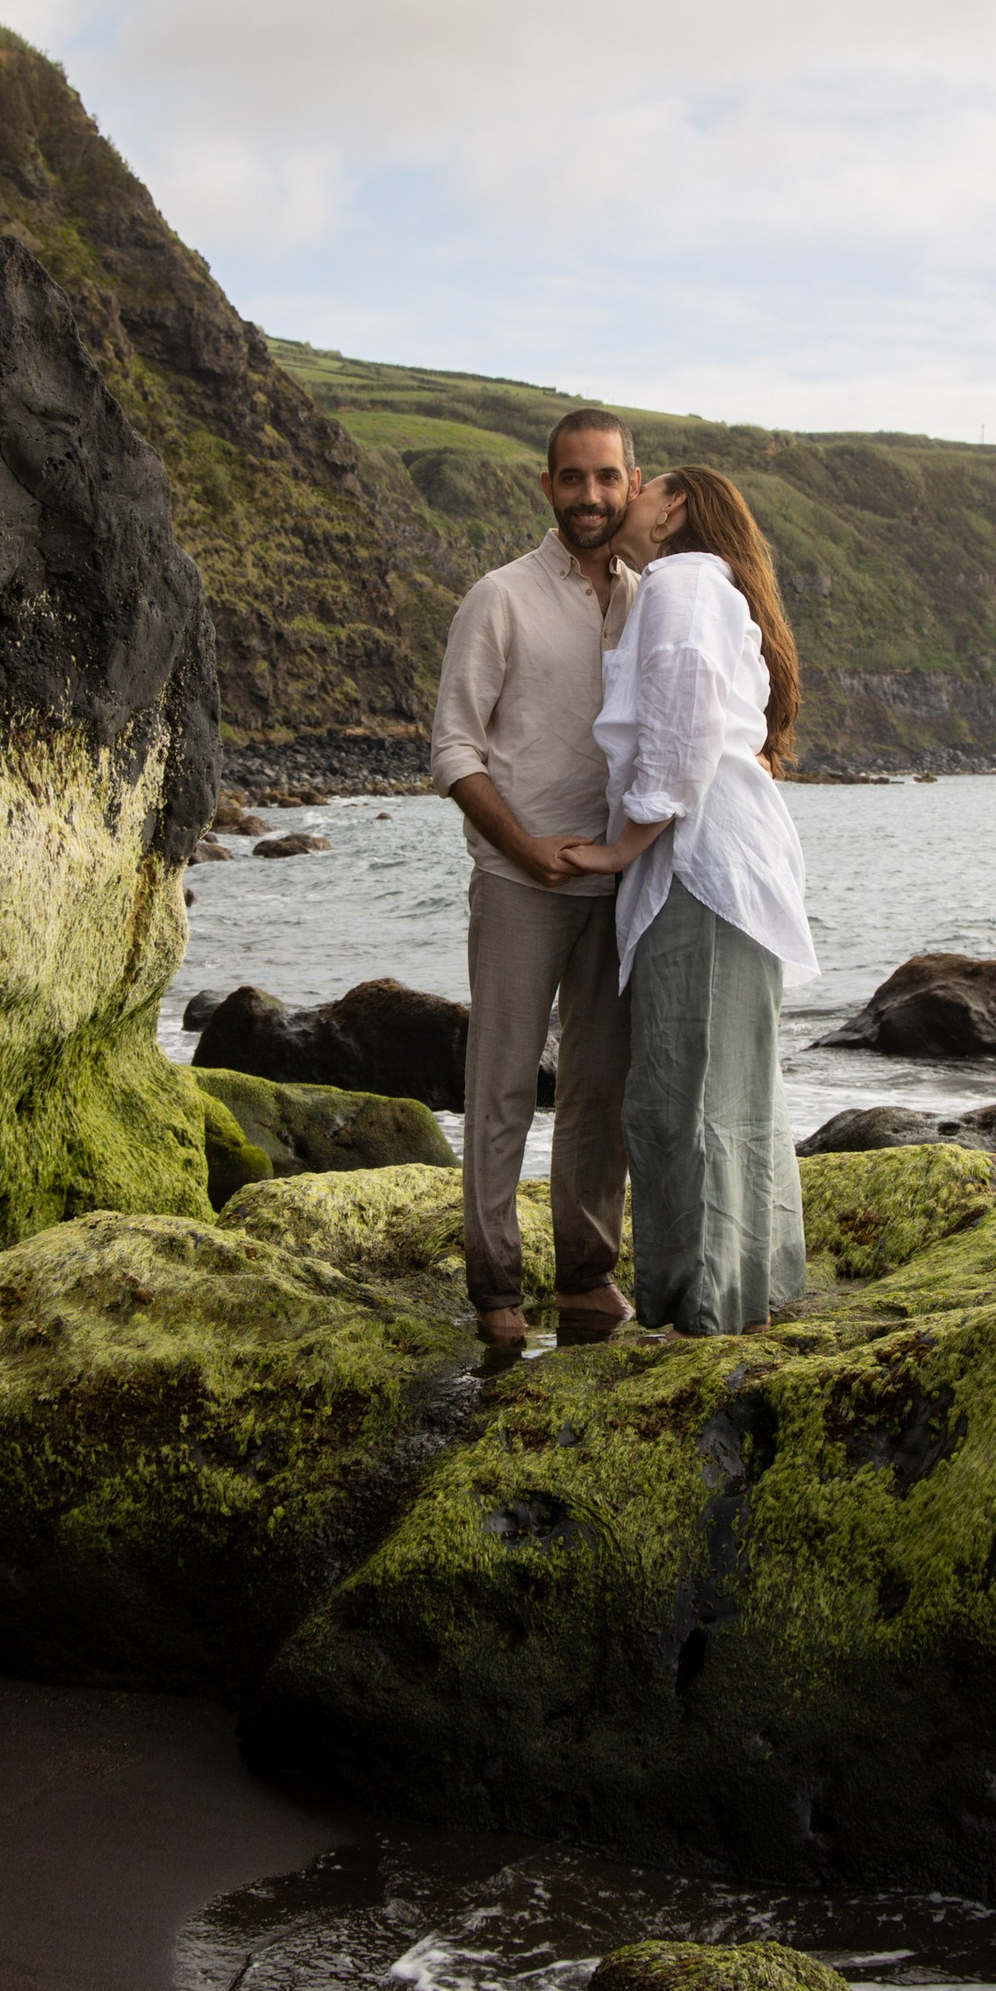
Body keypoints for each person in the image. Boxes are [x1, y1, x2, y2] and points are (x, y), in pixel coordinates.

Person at [554, 464, 818, 1335]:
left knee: (683, 1095)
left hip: (700, 868)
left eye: (643, 482)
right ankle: (749, 1295)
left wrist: (626, 840)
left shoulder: (682, 581)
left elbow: (685, 711)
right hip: (729, 870)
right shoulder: (699, 586)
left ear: (672, 509)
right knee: (729, 1092)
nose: (622, 493)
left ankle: (701, 1314)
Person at [429, 408, 644, 1350]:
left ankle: (587, 1278)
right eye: (572, 478)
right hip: (519, 884)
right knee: (504, 1085)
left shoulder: (652, 600)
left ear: (631, 485)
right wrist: (520, 847)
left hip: (623, 886)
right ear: (546, 485)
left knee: (603, 1089)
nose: (590, 496)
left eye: (606, 479)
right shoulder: (500, 597)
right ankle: (496, 1290)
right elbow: (451, 749)